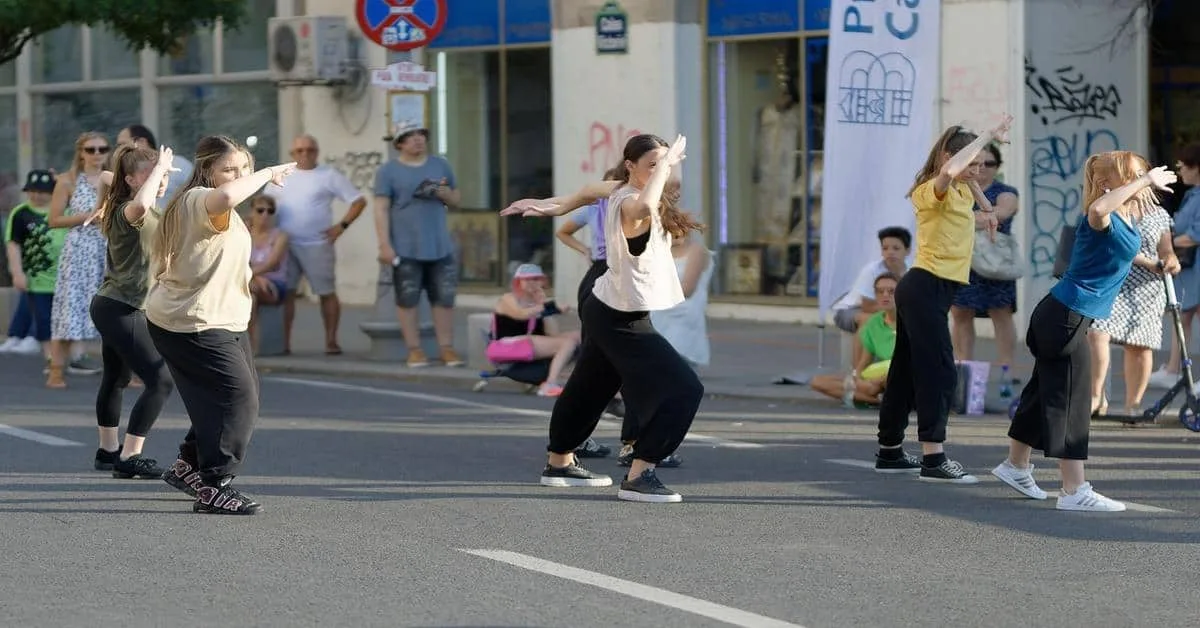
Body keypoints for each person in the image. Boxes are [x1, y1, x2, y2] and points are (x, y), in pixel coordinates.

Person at [503, 133, 704, 503]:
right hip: (617, 315)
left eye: (666, 164)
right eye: (653, 165)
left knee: (589, 386)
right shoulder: (632, 202)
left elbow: (583, 192)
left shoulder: (617, 187)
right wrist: (668, 165)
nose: (663, 172)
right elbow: (643, 204)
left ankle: (560, 462)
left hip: (610, 304)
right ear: (631, 166)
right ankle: (641, 473)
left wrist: (550, 207)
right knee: (684, 388)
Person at [995, 152, 1177, 513]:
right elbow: (1097, 211)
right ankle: (1074, 490)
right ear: (1113, 183)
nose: (1148, 179)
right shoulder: (1101, 214)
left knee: (1040, 392)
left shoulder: (1128, 219)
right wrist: (1141, 183)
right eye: (1137, 174)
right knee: (1073, 403)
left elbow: (1125, 253)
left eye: (1145, 173)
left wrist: (1160, 258)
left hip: (1063, 315)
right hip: (1066, 316)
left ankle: (1015, 466)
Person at [147, 135, 295, 515]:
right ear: (207, 171)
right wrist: (266, 173)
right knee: (237, 399)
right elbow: (228, 197)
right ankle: (214, 486)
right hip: (194, 321)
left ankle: (188, 466)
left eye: (244, 168)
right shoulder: (200, 199)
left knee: (229, 398)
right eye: (229, 169)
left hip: (220, 318)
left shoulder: (208, 205)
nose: (237, 175)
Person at [874, 115, 1010, 483]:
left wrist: (985, 205)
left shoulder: (963, 191)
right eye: (974, 162)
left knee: (904, 371)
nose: (978, 171)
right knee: (939, 370)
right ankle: (934, 457)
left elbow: (975, 209)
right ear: (952, 156)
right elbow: (949, 171)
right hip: (923, 286)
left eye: (983, 165)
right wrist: (986, 133)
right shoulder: (930, 189)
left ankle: (889, 450)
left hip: (935, 290)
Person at [89, 144, 178, 479]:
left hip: (116, 304)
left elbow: (106, 176)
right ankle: (129, 457)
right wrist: (158, 167)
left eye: (166, 176)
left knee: (117, 377)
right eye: (155, 175)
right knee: (161, 380)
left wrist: (156, 169)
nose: (162, 181)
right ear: (130, 179)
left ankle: (107, 451)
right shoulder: (129, 209)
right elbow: (133, 194)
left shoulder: (144, 210)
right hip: (119, 307)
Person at [264, 135, 366, 355]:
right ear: (292, 154)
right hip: (285, 244)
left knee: (326, 292)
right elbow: (266, 206)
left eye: (310, 150)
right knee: (286, 294)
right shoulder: (281, 176)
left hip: (317, 244)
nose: (305, 154)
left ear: (317, 152)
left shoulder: (328, 175)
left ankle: (331, 340)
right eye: (299, 150)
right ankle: (284, 343)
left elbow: (358, 201)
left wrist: (341, 227)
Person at [372, 121, 463, 368]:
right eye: (410, 136)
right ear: (399, 143)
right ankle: (414, 349)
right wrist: (384, 245)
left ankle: (446, 348)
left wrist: (444, 194)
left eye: (421, 134)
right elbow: (380, 209)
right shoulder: (388, 171)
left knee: (444, 299)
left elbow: (456, 198)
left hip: (439, 245)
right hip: (405, 246)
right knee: (407, 299)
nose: (418, 139)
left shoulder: (440, 164)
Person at [1087, 193, 1172, 416]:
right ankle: (1096, 397)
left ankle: (1132, 405)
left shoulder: (1159, 214)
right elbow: (1114, 245)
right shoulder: (1110, 209)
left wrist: (1171, 260)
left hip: (1147, 288)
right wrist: (1149, 262)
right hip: (1114, 281)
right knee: (1097, 333)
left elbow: (1166, 249)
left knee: (1140, 346)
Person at [950, 143, 1020, 374]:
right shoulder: (957, 189)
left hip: (995, 263)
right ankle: (963, 367)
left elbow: (1003, 212)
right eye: (976, 163)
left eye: (989, 163)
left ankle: (1005, 368)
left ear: (997, 166)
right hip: (963, 261)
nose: (982, 168)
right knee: (960, 312)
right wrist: (983, 217)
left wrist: (965, 219)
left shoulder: (1005, 191)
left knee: (1000, 312)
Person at [491, 263, 580, 397]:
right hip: (507, 343)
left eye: (536, 279)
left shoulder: (537, 303)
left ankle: (583, 377)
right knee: (567, 344)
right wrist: (546, 306)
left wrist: (545, 308)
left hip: (529, 342)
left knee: (579, 336)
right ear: (518, 282)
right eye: (527, 279)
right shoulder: (508, 298)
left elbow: (552, 334)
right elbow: (520, 314)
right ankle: (550, 384)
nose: (532, 283)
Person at [3, 170, 66, 360]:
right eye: (32, 191)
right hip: (36, 277)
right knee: (43, 316)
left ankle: (65, 355)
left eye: (43, 191)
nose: (37, 195)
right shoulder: (20, 213)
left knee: (61, 317)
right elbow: (13, 244)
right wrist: (17, 272)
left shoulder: (65, 210)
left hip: (64, 276)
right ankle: (49, 358)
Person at [812, 273, 898, 406]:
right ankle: (875, 399)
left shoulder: (912, 321)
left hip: (904, 375)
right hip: (877, 378)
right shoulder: (872, 324)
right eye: (880, 292)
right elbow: (864, 363)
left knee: (893, 377)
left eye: (891, 291)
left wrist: (880, 380)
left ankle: (867, 396)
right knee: (817, 382)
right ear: (875, 296)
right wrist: (857, 379)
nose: (885, 295)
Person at [246, 194, 291, 353]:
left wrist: (249, 275)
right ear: (252, 211)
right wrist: (255, 277)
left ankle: (249, 346)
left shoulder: (280, 236)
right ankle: (249, 346)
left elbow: (271, 265)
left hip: (274, 285)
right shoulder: (244, 233)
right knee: (251, 298)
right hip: (252, 283)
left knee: (248, 289)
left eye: (270, 211)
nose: (265, 215)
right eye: (260, 210)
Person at [117, 124, 194, 200]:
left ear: (141, 141)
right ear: (130, 180)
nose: (118, 150)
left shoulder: (179, 164)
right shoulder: (124, 170)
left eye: (122, 145)